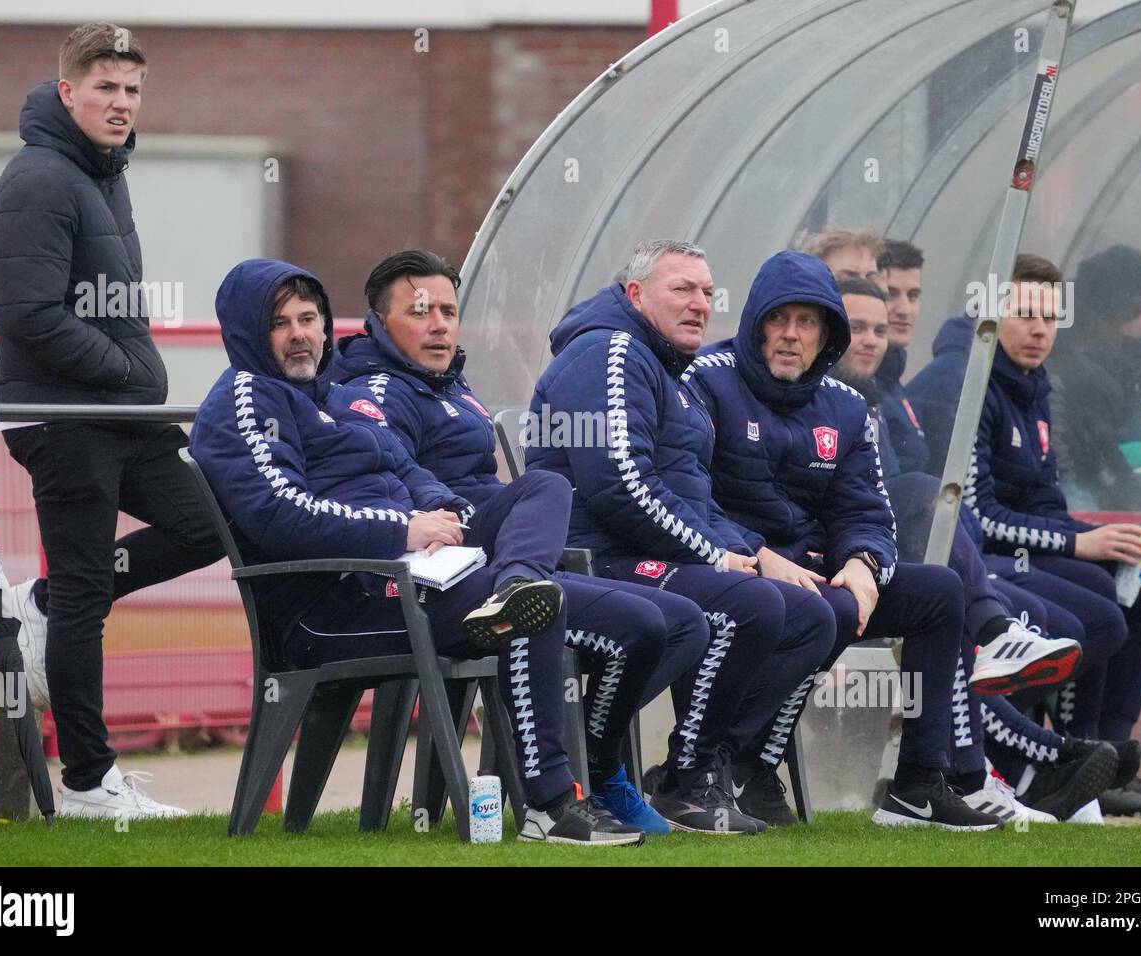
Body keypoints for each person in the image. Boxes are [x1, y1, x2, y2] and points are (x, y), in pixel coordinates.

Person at [190, 258, 645, 846]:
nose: (300, 333)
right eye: (281, 324)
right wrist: (402, 528)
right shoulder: (244, 401)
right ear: (249, 333)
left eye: (310, 318)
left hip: (418, 577)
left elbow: (408, 469)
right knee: (543, 611)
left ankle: (516, 583)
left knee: (546, 487)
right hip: (336, 607)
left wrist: (444, 512)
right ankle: (551, 806)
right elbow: (281, 515)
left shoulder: (337, 396)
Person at [325, 249, 710, 834]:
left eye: (449, 312)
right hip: (432, 576)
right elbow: (389, 487)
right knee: (546, 491)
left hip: (494, 564)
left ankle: (601, 771)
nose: (439, 326)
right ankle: (549, 802)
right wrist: (475, 519)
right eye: (420, 312)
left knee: (677, 623)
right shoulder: (375, 391)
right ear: (379, 321)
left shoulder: (455, 390)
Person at [691, 250, 1039, 831]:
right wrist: (760, 554)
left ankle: (918, 787)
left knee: (938, 592)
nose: (790, 336)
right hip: (737, 567)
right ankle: (748, 762)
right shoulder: (705, 383)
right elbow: (689, 496)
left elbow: (866, 508)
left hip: (822, 572)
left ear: (827, 333)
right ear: (755, 323)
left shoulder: (846, 407)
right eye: (778, 320)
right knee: (820, 607)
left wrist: (863, 561)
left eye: (807, 323)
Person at [0, 23, 222, 819]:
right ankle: (88, 782)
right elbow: (27, 314)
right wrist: (132, 372)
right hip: (65, 419)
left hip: (116, 415)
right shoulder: (39, 180)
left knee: (210, 523)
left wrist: (132, 381)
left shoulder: (103, 174)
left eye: (133, 89)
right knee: (90, 594)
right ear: (67, 92)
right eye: (106, 88)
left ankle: (42, 602)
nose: (122, 103)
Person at [526, 239, 837, 834]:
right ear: (636, 294)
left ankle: (705, 768)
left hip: (651, 556)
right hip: (597, 562)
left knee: (809, 616)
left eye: (707, 292)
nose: (700, 303)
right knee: (749, 605)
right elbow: (620, 484)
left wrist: (755, 552)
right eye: (683, 290)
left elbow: (693, 496)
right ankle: (667, 779)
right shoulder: (608, 353)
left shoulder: (662, 365)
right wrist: (716, 556)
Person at [829, 277, 1123, 823]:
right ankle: (1033, 762)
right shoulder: (955, 381)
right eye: (857, 327)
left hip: (926, 556)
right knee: (951, 577)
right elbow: (959, 505)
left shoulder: (882, 396)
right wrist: (1074, 542)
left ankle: (1034, 767)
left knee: (1107, 604)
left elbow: (1025, 496)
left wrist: (1084, 540)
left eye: (1051, 317)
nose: (876, 335)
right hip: (873, 561)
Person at [956, 255, 1141, 815]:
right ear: (992, 313)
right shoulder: (973, 383)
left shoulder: (1033, 387)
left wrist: (1104, 535)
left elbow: (1044, 502)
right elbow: (978, 517)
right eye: (1026, 314)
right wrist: (1079, 544)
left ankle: (1111, 757)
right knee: (1099, 601)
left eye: (1051, 318)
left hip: (1024, 550)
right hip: (982, 558)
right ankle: (1069, 759)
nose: (1040, 330)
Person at [1048, 246, 1141, 510]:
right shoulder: (1080, 374)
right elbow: (1102, 460)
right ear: (1120, 305)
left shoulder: (1124, 364)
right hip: (1082, 505)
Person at [873, 239, 930, 475]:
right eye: (891, 294)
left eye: (913, 296)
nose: (905, 310)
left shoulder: (893, 382)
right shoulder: (855, 384)